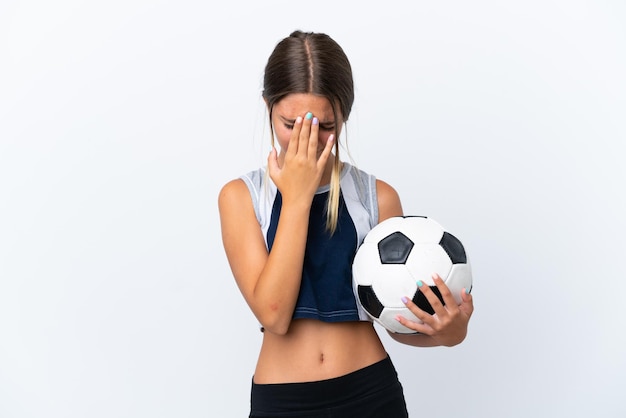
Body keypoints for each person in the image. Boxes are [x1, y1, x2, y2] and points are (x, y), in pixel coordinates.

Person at [218, 30, 474, 418]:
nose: (309, 139)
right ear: (268, 107)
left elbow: (395, 321)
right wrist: (298, 197)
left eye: (325, 125)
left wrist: (448, 334)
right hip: (284, 402)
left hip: (369, 392)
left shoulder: (377, 196)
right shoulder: (241, 197)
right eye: (291, 124)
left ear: (344, 116)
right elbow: (273, 313)